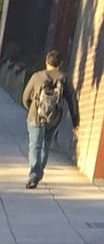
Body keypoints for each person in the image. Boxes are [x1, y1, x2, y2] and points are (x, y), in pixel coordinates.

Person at [22, 51, 78, 190]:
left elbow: (25, 97)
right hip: (54, 118)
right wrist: (76, 122)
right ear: (60, 64)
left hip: (36, 116)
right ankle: (38, 173)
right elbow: (72, 101)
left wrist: (31, 108)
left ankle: (34, 173)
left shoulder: (37, 77)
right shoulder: (64, 78)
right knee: (46, 145)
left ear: (46, 62)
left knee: (35, 145)